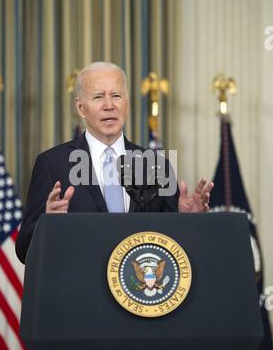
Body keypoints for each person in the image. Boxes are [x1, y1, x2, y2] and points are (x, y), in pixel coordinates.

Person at [15, 62, 214, 263]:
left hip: (140, 288)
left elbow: (176, 246)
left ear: (127, 103)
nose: (109, 105)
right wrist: (48, 226)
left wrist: (189, 220)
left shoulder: (156, 165)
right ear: (81, 107)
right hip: (79, 290)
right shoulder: (52, 164)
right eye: (98, 97)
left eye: (116, 96)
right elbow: (24, 251)